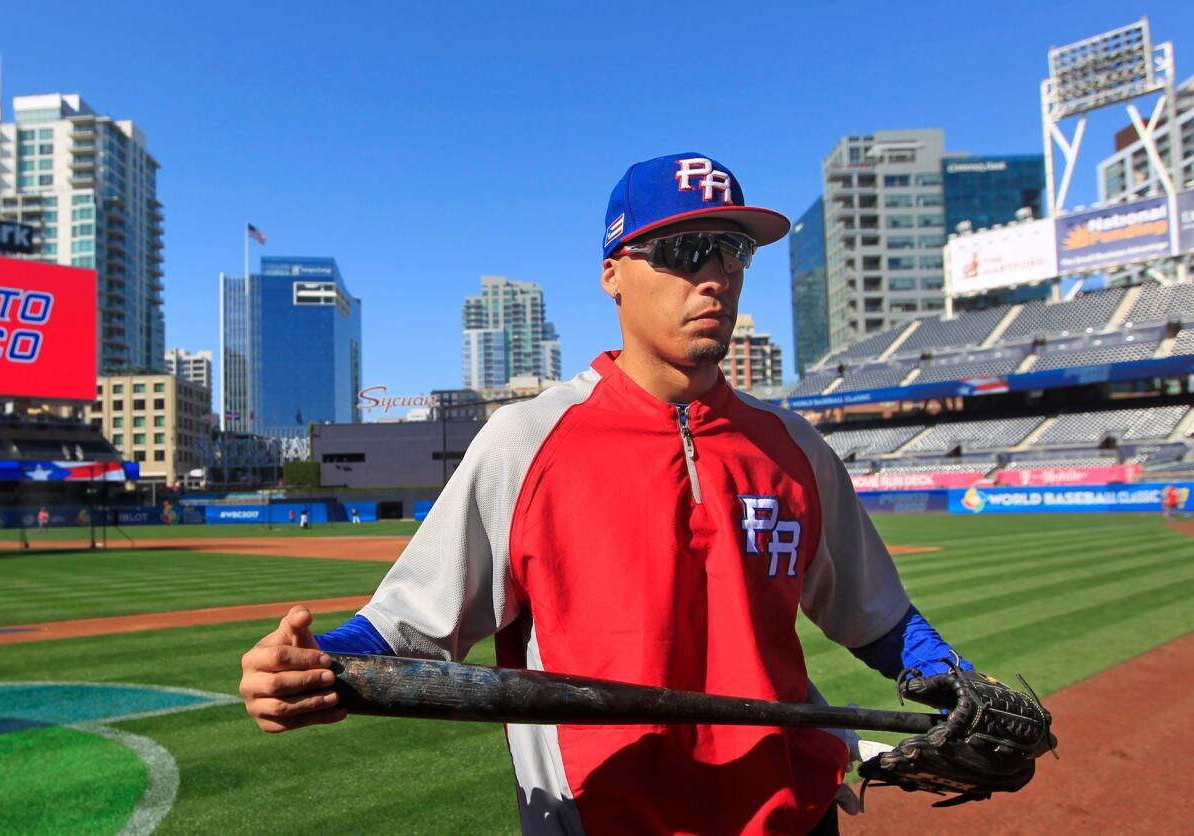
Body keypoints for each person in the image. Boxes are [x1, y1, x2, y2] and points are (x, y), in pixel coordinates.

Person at [239, 153, 1049, 835]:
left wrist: (951, 679)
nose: (717, 279)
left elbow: (877, 615)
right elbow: (407, 627)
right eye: (687, 250)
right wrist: (311, 669)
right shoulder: (528, 442)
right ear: (613, 274)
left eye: (733, 252)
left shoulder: (793, 448)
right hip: (604, 819)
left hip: (792, 819)